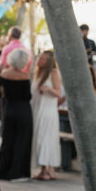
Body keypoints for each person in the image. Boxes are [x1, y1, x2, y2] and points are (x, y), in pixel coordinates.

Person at [0, 48, 33, 180]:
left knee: (7, 140)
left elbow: (1, 93)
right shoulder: (25, 76)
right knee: (22, 141)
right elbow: (28, 96)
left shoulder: (3, 74)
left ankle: (2, 171)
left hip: (9, 108)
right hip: (24, 110)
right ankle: (18, 172)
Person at [31, 50, 62, 180]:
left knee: (47, 138)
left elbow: (59, 93)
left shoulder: (53, 73)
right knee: (39, 138)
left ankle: (50, 169)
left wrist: (48, 89)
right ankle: (43, 168)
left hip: (48, 111)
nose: (40, 61)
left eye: (43, 59)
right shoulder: (38, 73)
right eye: (40, 58)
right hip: (38, 109)